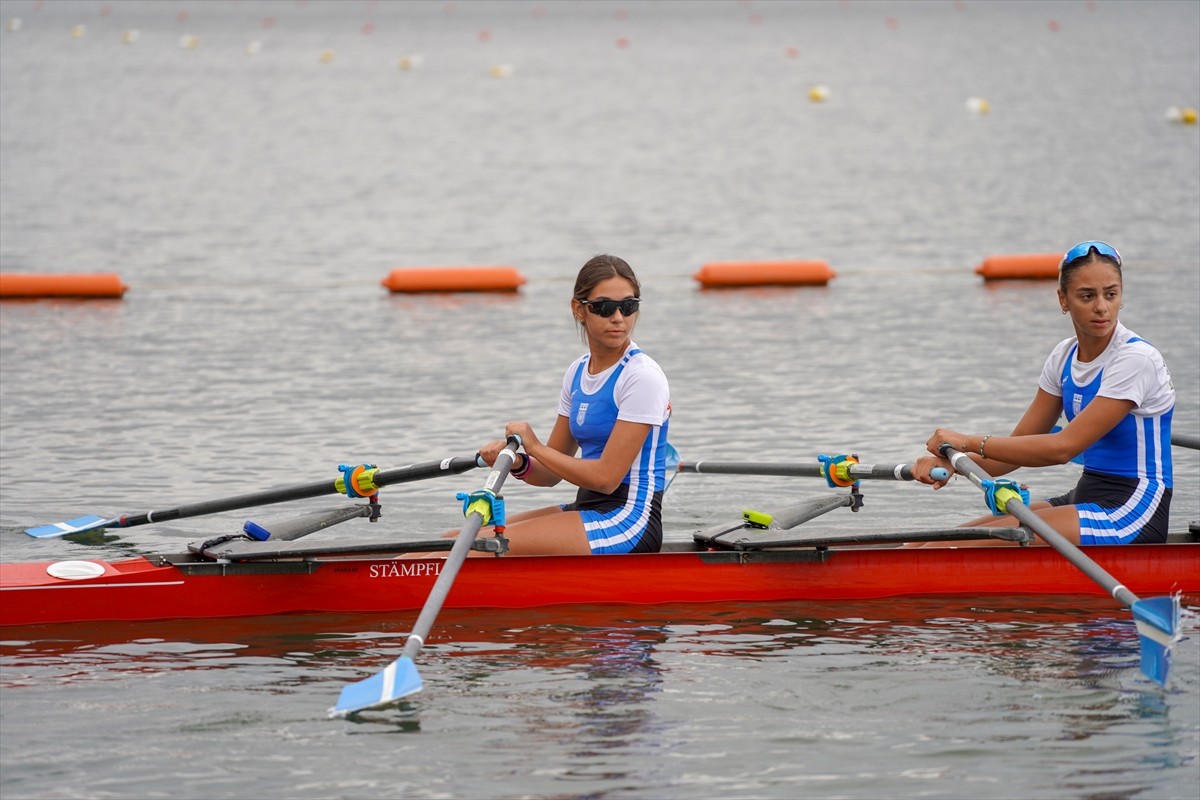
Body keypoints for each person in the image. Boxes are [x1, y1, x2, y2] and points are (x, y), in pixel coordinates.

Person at [913, 241, 1174, 546]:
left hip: (1133, 509)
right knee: (925, 544)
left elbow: (1062, 449)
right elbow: (1011, 452)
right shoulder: (1063, 356)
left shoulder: (1135, 360)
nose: (1101, 306)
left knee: (948, 549)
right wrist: (951, 463)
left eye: (1111, 294)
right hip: (1086, 495)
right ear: (1063, 300)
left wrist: (966, 441)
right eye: (1087, 296)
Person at [469, 253, 672, 555]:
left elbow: (605, 479)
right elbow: (550, 475)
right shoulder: (577, 372)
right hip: (588, 507)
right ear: (579, 309)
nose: (618, 318)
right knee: (452, 539)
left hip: (629, 521)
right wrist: (519, 462)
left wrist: (535, 446)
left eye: (629, 306)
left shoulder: (642, 377)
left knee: (471, 549)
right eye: (605, 307)